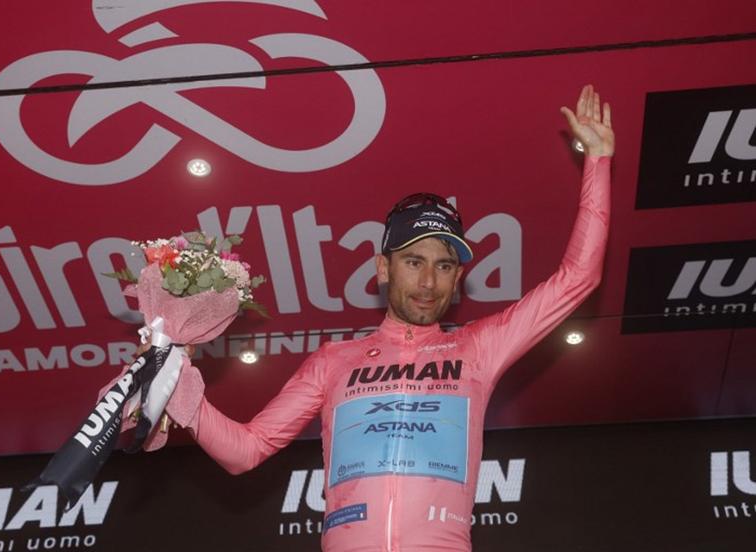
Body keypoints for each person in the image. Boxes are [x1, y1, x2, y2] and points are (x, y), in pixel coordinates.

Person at [183, 84, 613, 551]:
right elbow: (245, 451)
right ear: (383, 268)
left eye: (444, 266)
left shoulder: (478, 348)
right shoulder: (333, 361)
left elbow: (577, 278)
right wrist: (175, 383)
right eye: (413, 262)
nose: (428, 282)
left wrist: (598, 160)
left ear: (458, 277)